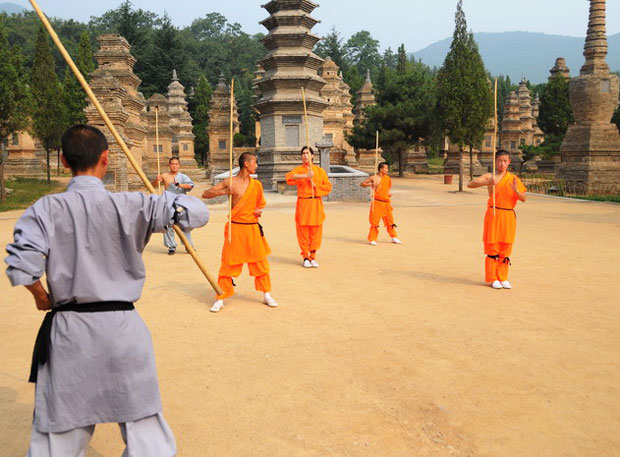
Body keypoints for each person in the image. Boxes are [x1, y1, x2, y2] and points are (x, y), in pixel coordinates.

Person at [4, 125, 209, 456]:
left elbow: (21, 264)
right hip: (123, 330)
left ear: (63, 160)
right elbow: (197, 213)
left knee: (59, 438)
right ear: (105, 159)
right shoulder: (132, 204)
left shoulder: (45, 208)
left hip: (70, 332)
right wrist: (166, 198)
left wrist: (40, 296)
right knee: (147, 437)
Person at [202, 152, 277, 313]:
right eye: (255, 162)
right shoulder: (230, 182)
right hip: (235, 229)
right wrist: (224, 192)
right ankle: (221, 297)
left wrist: (258, 210)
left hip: (252, 228)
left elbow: (260, 204)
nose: (256, 165)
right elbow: (206, 194)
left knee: (260, 262)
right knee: (228, 263)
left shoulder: (256, 185)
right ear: (246, 164)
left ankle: (266, 294)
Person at [467, 150, 526, 289]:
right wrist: (488, 182)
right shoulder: (490, 176)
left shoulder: (513, 179)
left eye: (505, 161)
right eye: (499, 160)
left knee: (506, 246)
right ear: (495, 161)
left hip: (508, 215)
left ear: (509, 162)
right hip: (493, 214)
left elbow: (523, 198)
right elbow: (471, 184)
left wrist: (516, 191)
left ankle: (503, 277)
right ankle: (493, 278)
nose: (502, 163)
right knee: (492, 246)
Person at [285, 146, 332, 268]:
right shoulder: (299, 170)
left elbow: (327, 187)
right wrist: (305, 176)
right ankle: (305, 256)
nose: (305, 155)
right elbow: (289, 178)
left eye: (307, 153)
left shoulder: (320, 171)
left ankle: (313, 256)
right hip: (304, 203)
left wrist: (315, 185)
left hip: (316, 202)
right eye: (303, 153)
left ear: (312, 156)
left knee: (316, 230)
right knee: (303, 230)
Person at [153, 156, 195, 255]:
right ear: (169, 165)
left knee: (184, 225)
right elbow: (153, 186)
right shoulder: (164, 175)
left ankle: (188, 245)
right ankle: (171, 246)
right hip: (168, 202)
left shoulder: (183, 177)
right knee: (168, 224)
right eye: (172, 164)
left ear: (179, 165)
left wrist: (179, 185)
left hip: (181, 203)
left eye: (176, 164)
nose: (174, 166)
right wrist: (156, 180)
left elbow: (190, 186)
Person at [360, 161, 402, 246]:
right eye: (386, 168)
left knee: (390, 221)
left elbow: (387, 189)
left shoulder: (387, 178)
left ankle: (393, 237)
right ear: (381, 169)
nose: (387, 170)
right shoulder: (374, 178)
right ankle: (372, 238)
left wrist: (388, 194)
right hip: (377, 203)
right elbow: (362, 184)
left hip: (386, 203)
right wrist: (371, 185)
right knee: (374, 222)